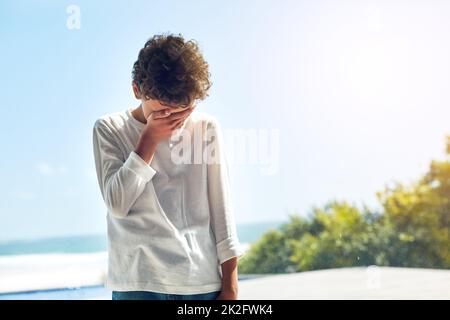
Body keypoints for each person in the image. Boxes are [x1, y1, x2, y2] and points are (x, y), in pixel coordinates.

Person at [92, 33, 245, 300]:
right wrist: (149, 139)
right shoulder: (110, 129)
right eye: (164, 109)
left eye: (183, 109)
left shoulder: (205, 128)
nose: (174, 118)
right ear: (137, 91)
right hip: (137, 284)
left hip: (199, 283)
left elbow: (222, 210)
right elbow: (117, 204)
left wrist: (231, 286)